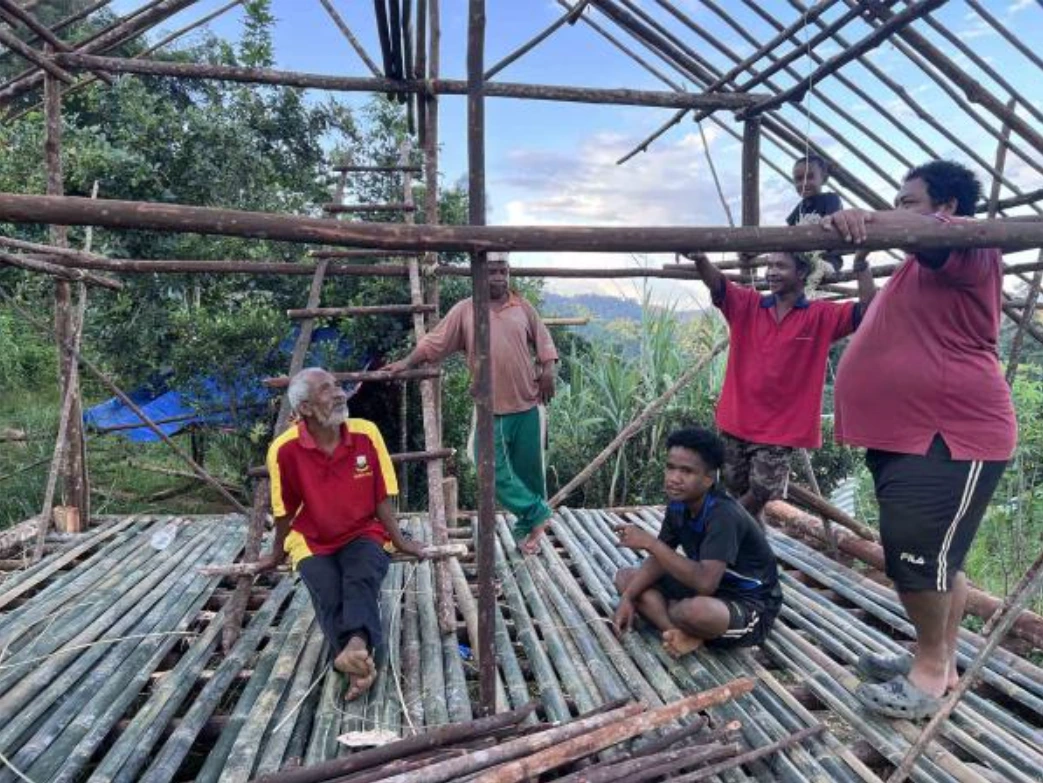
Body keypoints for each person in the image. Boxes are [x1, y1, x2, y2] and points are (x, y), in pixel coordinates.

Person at [824, 160, 1015, 720]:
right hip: (912, 435)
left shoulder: (973, 248)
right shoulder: (919, 268)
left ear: (946, 209)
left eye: (908, 202)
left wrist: (867, 218)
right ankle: (938, 659)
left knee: (913, 557)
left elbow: (924, 236)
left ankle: (929, 675)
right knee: (939, 561)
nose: (898, 211)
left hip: (950, 434)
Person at [258, 367, 425, 701]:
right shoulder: (284, 449)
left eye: (337, 386)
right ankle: (359, 654)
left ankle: (351, 652)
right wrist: (277, 553)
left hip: (363, 528)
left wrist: (401, 540)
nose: (337, 393)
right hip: (311, 536)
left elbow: (380, 497)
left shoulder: (365, 433)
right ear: (304, 408)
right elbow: (285, 511)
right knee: (327, 588)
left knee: (361, 575)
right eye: (325, 390)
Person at [384, 252, 559, 555]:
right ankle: (537, 513)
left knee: (529, 473)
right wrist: (406, 362)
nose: (498, 278)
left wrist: (548, 370)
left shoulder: (522, 306)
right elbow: (434, 343)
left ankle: (526, 530)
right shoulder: (466, 310)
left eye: (503, 271)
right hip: (489, 408)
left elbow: (544, 342)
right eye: (491, 271)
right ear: (478, 274)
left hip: (528, 404)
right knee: (486, 464)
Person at [685, 249, 875, 519]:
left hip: (780, 427)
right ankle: (746, 549)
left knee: (763, 489)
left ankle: (719, 527)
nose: (771, 271)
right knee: (736, 487)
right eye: (769, 265)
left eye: (780, 266)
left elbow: (868, 310)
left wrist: (861, 265)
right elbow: (718, 284)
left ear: (801, 273)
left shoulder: (820, 315)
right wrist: (701, 259)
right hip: (737, 419)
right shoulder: (747, 306)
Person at [612, 427, 783, 656]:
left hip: (749, 604)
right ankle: (677, 633)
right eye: (670, 468)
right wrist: (627, 598)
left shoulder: (723, 514)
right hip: (710, 589)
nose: (674, 478)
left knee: (693, 612)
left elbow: (705, 583)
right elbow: (659, 560)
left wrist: (650, 543)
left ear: (709, 478)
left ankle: (681, 622)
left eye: (686, 471)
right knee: (626, 578)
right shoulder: (678, 505)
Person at [787, 153, 843, 276]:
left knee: (823, 266)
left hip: (827, 257)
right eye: (799, 179)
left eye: (810, 177)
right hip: (804, 259)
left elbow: (833, 219)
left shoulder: (831, 199)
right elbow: (788, 231)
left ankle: (816, 270)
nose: (804, 183)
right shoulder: (799, 208)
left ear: (823, 178)